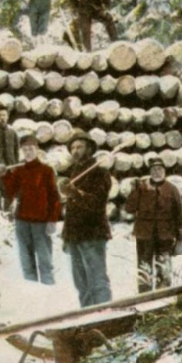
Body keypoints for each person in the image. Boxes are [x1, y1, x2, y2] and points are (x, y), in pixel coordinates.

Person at [0, 135, 62, 285]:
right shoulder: (19, 170)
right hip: (22, 220)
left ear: (37, 149)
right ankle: (30, 288)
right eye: (25, 149)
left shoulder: (46, 171)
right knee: (26, 258)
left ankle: (48, 287)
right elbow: (9, 193)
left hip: (41, 221)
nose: (28, 152)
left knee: (44, 258)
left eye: (31, 149)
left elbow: (54, 197)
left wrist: (52, 220)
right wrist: (4, 176)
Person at [61, 130, 113, 307]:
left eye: (80, 147)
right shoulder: (74, 172)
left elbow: (97, 203)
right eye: (73, 148)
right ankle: (87, 315)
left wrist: (75, 193)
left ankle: (105, 314)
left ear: (89, 148)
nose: (75, 151)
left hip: (92, 233)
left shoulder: (100, 173)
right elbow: (71, 209)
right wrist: (66, 236)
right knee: (81, 282)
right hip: (74, 235)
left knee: (97, 279)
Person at [124, 158, 182, 292]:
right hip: (144, 235)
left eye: (160, 169)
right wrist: (134, 190)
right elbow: (129, 208)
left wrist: (180, 240)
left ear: (165, 171)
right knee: (144, 268)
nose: (157, 172)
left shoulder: (172, 189)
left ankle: (163, 297)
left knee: (164, 269)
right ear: (150, 172)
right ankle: (144, 296)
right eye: (154, 169)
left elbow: (179, 216)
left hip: (165, 236)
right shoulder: (142, 188)